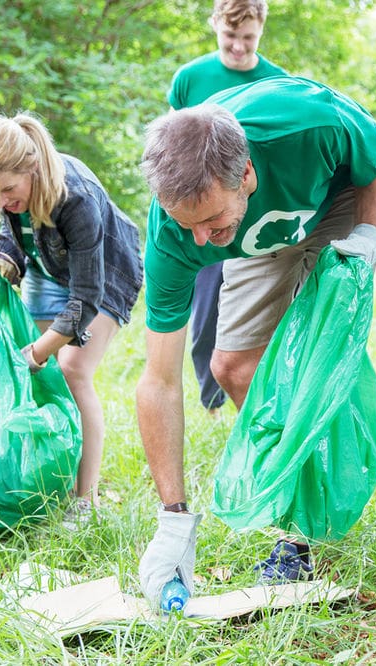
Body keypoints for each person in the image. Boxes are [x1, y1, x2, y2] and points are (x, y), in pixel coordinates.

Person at [135, 76, 376, 603]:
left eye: (208, 220)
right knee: (230, 366)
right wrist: (173, 519)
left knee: (319, 359)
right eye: (186, 225)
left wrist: (369, 233)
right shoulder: (177, 234)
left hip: (332, 200)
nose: (199, 242)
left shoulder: (307, 124)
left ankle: (299, 532)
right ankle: (295, 484)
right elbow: (159, 380)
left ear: (247, 173)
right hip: (259, 237)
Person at [0, 113, 143, 515]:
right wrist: (3, 261)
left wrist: (38, 351)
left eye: (9, 190)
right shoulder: (11, 190)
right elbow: (13, 231)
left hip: (103, 274)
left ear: (31, 166)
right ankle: (55, 482)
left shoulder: (75, 197)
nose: (4, 202)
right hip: (47, 268)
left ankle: (86, 501)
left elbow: (85, 299)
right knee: (47, 381)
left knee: (72, 369)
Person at [168, 0, 288, 414]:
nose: (239, 47)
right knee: (206, 317)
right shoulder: (190, 78)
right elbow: (172, 150)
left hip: (258, 216)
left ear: (261, 31)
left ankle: (265, 393)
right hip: (206, 216)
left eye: (249, 38)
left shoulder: (276, 81)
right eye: (231, 36)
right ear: (216, 25)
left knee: (263, 313)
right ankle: (212, 402)